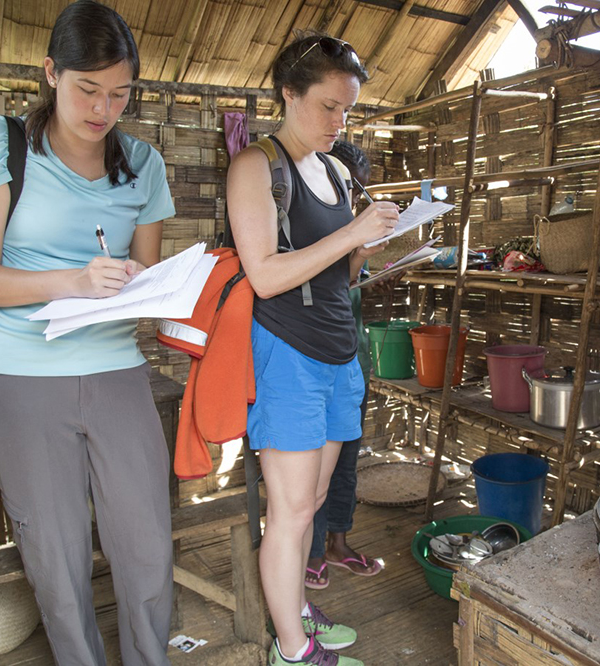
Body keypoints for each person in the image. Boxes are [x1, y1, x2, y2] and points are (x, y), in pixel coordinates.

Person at [0, 1, 176, 663]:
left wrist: (144, 282)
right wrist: (73, 281)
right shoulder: (1, 144)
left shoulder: (144, 162)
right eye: (87, 88)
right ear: (52, 73)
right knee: (56, 557)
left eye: (119, 94)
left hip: (115, 370)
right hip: (22, 376)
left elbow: (149, 275)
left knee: (146, 545)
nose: (103, 108)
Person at [227, 33, 398, 666]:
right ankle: (294, 653)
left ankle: (296, 611)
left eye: (348, 109)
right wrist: (353, 229)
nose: (339, 121)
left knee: (315, 502)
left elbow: (339, 278)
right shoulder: (255, 167)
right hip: (287, 356)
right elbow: (266, 275)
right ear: (288, 94)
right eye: (327, 105)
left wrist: (363, 250)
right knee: (292, 510)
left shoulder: (334, 170)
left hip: (338, 355)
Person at [304, 141, 383, 591]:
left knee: (346, 459)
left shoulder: (353, 223)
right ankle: (311, 551)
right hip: (310, 359)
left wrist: (363, 254)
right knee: (312, 467)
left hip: (351, 355)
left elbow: (347, 284)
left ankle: (338, 542)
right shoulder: (309, 221)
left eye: (356, 191)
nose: (351, 199)